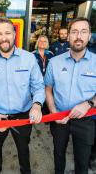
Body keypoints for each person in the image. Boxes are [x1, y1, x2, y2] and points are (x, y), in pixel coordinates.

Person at [0, 18, 45, 174]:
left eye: (7, 32)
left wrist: (37, 105)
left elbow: (38, 86)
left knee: (23, 148)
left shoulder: (28, 58)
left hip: (23, 115)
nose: (3, 37)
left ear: (14, 34)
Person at [45, 17, 96, 174]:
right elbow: (48, 89)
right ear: (68, 36)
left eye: (83, 31)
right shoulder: (54, 62)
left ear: (89, 36)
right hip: (59, 118)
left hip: (86, 120)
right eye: (74, 31)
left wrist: (89, 103)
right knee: (58, 155)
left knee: (82, 159)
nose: (78, 35)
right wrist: (53, 112)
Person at [32, 35, 54, 115]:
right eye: (40, 41)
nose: (42, 43)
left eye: (44, 41)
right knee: (38, 97)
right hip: (37, 82)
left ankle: (46, 115)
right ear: (37, 43)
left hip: (48, 81)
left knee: (48, 97)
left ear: (47, 43)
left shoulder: (51, 54)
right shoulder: (32, 55)